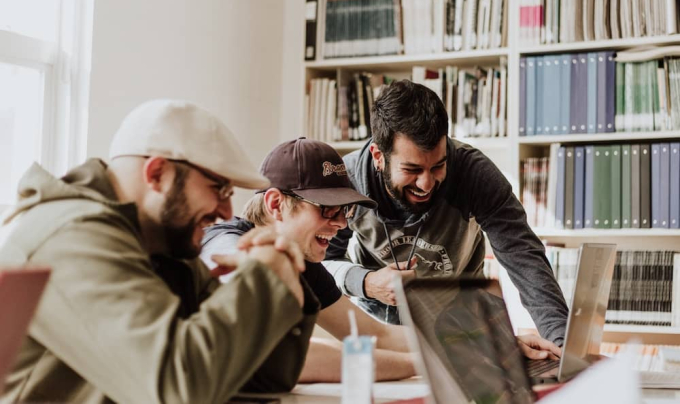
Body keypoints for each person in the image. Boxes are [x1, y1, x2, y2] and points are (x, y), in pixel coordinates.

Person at [0, 100, 316, 403]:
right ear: (157, 174)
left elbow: (260, 378)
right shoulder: (73, 237)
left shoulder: (164, 244)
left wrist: (284, 277)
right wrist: (263, 278)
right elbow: (178, 389)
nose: (226, 211)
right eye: (218, 188)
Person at [201, 138, 560, 383]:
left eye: (345, 211)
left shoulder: (304, 263)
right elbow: (286, 355)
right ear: (276, 204)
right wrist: (446, 362)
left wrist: (487, 344)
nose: (341, 224)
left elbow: (373, 334)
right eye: (327, 210)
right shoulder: (226, 245)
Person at [323, 80, 570, 348]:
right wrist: (366, 282)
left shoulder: (474, 174)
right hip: (379, 331)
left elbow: (525, 259)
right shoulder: (347, 182)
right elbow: (322, 263)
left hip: (462, 328)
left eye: (438, 166)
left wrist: (561, 345)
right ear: (378, 156)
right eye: (412, 170)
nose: (426, 184)